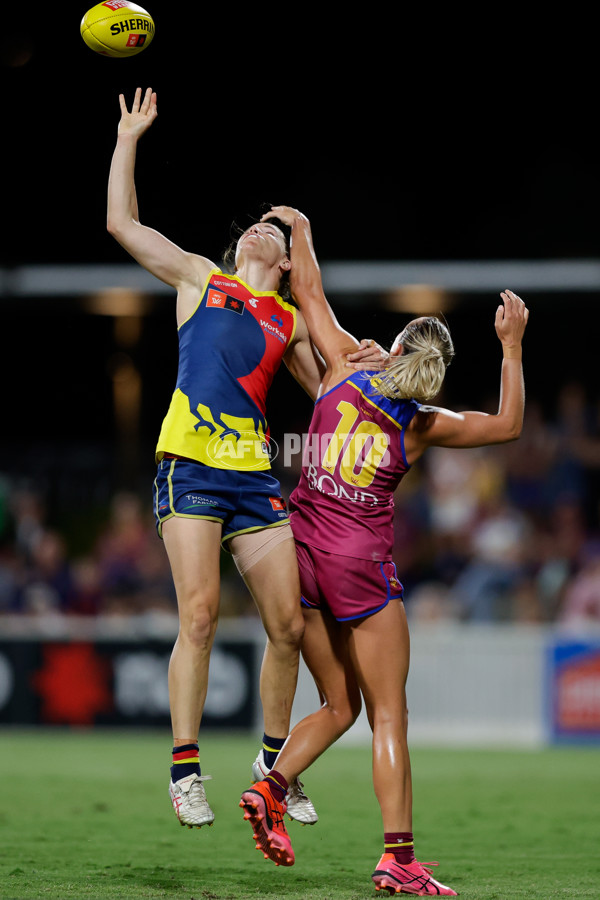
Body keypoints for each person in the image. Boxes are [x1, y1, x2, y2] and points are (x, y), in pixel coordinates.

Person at [106, 89, 385, 831]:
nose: (263, 227)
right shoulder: (202, 278)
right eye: (258, 224)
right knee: (198, 616)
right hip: (191, 468)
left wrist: (368, 362)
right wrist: (129, 138)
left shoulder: (289, 320)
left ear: (288, 262)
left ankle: (272, 765)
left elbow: (331, 387)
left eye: (276, 230)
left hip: (253, 478)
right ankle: (184, 769)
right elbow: (122, 223)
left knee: (288, 626)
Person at [240, 205, 529, 895]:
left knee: (338, 704)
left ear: (394, 348)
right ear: (436, 372)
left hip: (301, 551)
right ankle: (398, 859)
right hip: (360, 568)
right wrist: (512, 346)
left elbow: (309, 291)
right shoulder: (424, 423)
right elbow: (508, 425)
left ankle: (271, 787)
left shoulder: (344, 363)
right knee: (387, 715)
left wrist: (302, 230)